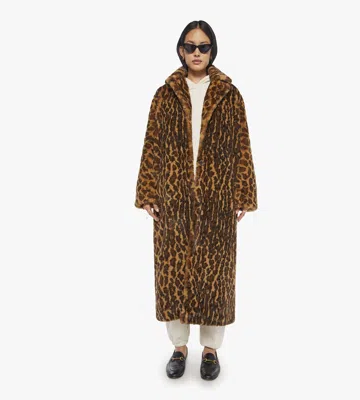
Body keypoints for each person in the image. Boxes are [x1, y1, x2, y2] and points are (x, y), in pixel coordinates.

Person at [134, 20, 258, 380]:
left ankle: (210, 350)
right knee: (172, 272)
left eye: (204, 46)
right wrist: (148, 191)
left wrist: (243, 193)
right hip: (173, 198)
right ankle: (178, 346)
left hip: (217, 199)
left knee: (215, 274)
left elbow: (242, 146)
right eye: (191, 46)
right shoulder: (165, 94)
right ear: (181, 50)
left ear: (212, 50)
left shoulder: (229, 95)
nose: (197, 52)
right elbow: (152, 144)